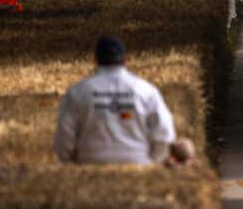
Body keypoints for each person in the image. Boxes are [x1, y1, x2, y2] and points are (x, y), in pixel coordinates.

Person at [54, 36, 176, 164]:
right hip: (137, 160)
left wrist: (69, 161)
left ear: (96, 59)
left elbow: (64, 133)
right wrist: (154, 162)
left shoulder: (78, 91)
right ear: (126, 59)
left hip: (91, 161)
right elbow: (164, 130)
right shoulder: (145, 90)